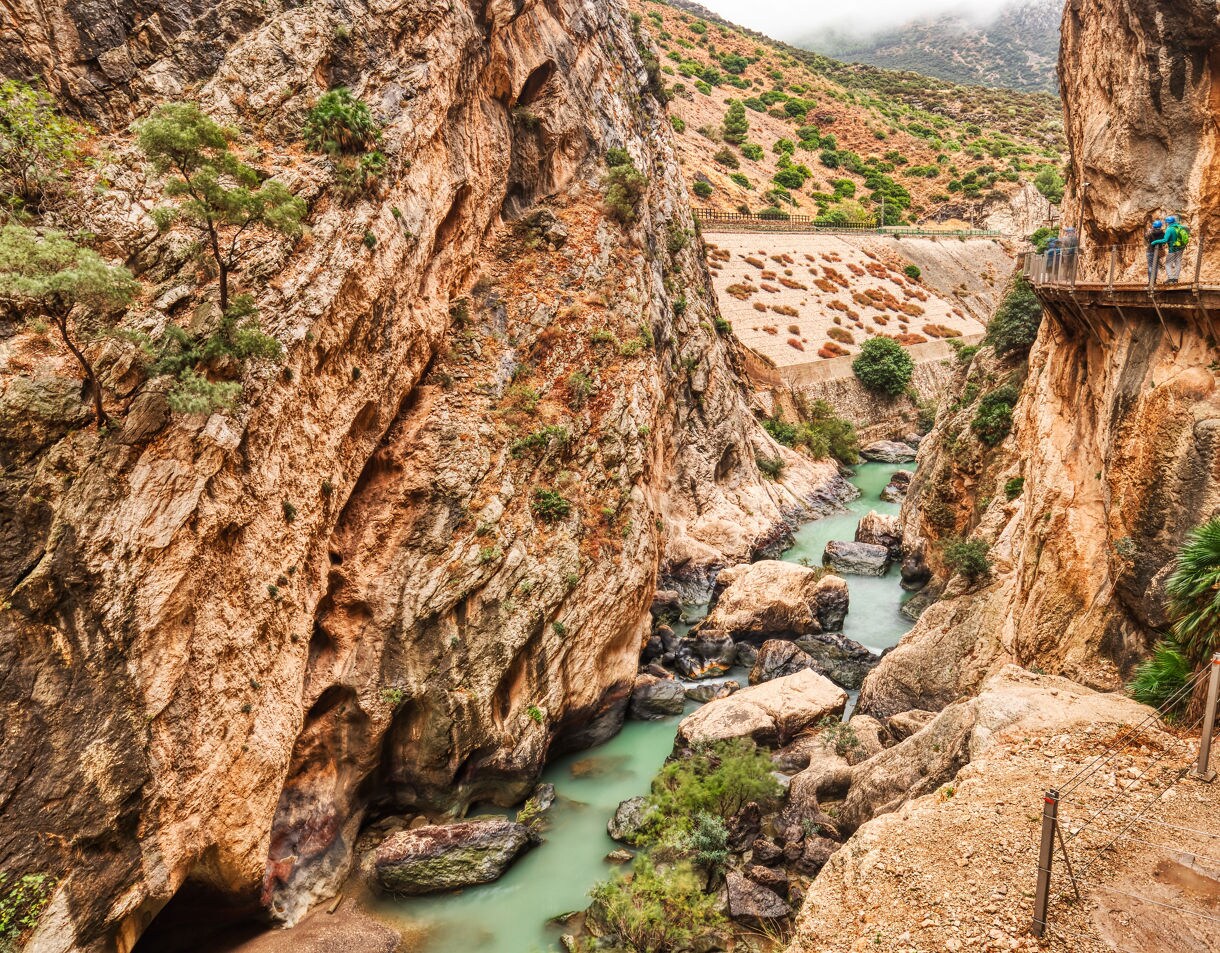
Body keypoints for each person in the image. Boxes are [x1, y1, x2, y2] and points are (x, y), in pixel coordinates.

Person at [1145, 218, 1165, 283]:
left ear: (1154, 226)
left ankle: (1150, 281)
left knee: (1150, 266)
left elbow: (1146, 238)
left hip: (1150, 250)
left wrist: (1148, 231)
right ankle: (1154, 281)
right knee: (1155, 266)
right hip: (1158, 250)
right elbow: (1163, 242)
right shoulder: (1162, 233)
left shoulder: (1150, 232)